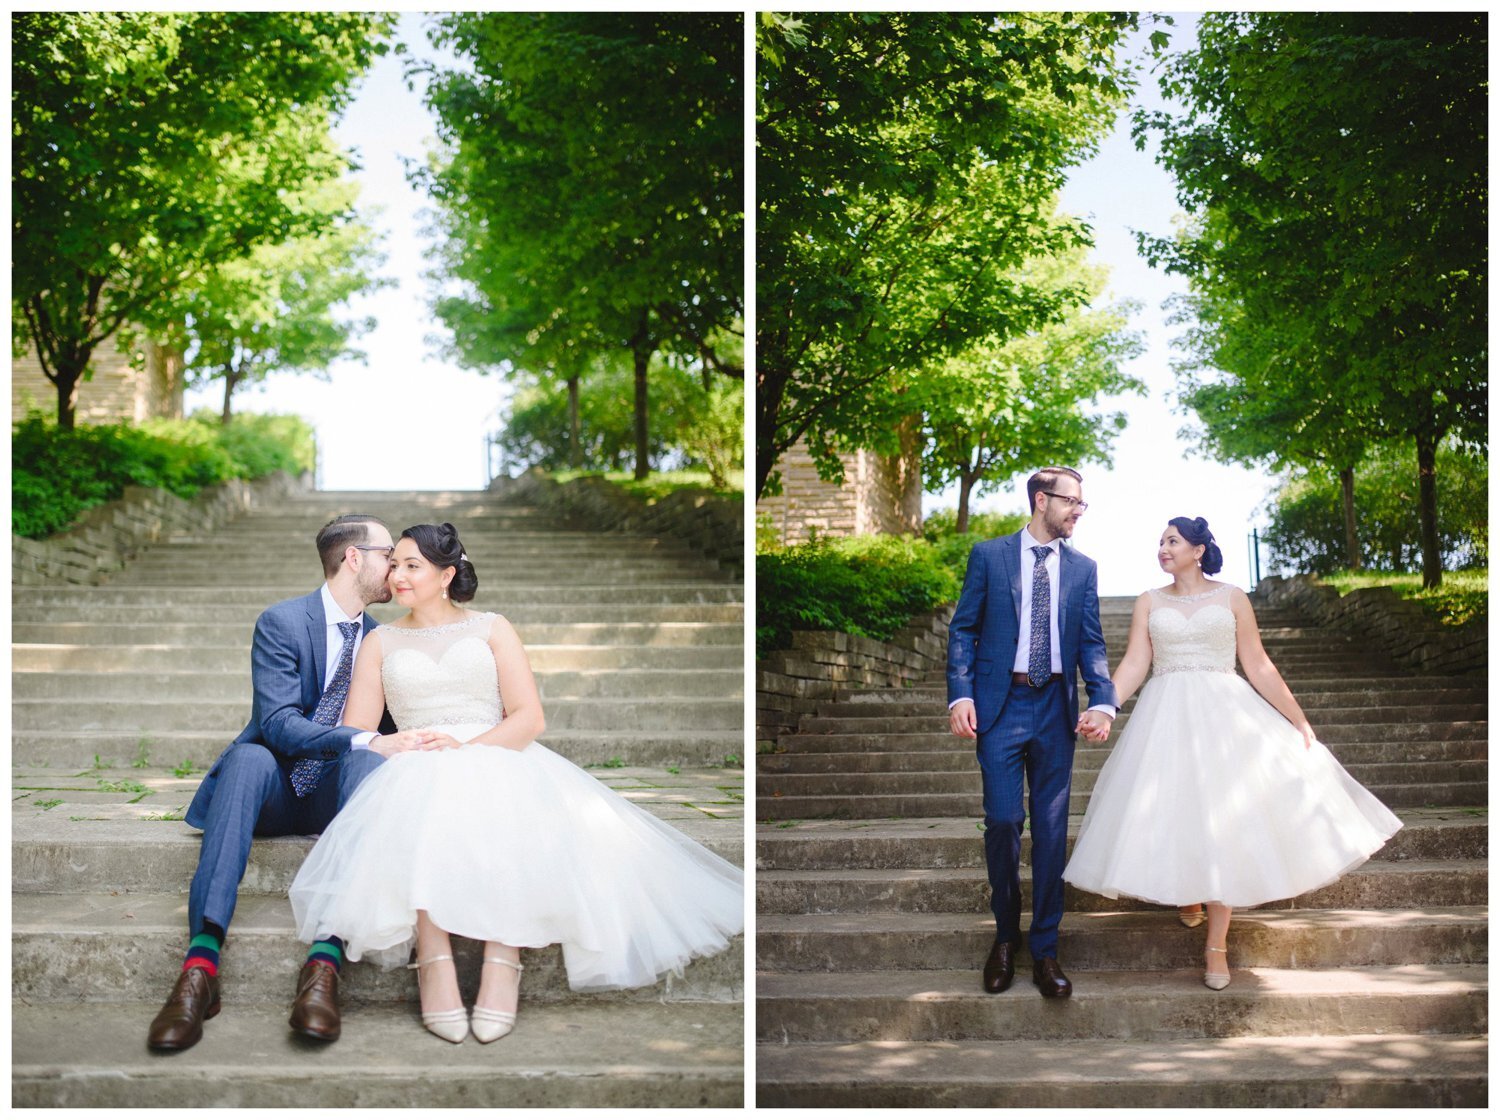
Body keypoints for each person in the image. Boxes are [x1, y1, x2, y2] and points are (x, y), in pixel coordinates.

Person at [288, 522, 744, 1043]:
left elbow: (528, 718)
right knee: (421, 801)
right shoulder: (380, 641)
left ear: (446, 574)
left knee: (500, 800)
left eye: (412, 565)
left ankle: (503, 960)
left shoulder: (491, 628)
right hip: (418, 756)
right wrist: (398, 748)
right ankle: (433, 960)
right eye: (394, 564)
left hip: (496, 747)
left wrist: (468, 748)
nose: (397, 574)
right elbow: (360, 730)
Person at [1063, 516, 1403, 989]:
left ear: (1198, 550)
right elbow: (1137, 662)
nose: (1163, 548)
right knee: (1176, 808)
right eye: (1160, 541)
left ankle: (1217, 946)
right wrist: (1104, 708)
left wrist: (1297, 718)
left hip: (1225, 714)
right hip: (1165, 714)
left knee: (1223, 818)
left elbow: (1258, 664)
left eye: (1172, 541)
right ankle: (1188, 891)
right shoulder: (1149, 601)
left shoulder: (1232, 597)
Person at [148, 515, 444, 1052]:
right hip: (274, 789)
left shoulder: (389, 640)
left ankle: (323, 967)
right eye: (387, 556)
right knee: (248, 758)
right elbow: (279, 721)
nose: (396, 568)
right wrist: (360, 738)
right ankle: (199, 967)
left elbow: (401, 728)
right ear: (354, 558)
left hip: (341, 795)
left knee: (367, 764)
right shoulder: (282, 621)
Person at [947, 467, 1119, 999]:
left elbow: (1091, 640)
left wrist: (1105, 700)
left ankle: (1045, 948)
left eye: (1082, 505)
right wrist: (961, 693)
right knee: (1002, 821)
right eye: (1072, 502)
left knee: (1048, 833)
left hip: (1055, 710)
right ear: (1041, 500)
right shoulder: (990, 556)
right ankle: (1004, 937)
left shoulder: (1084, 568)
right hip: (1001, 705)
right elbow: (964, 629)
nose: (1078, 512)